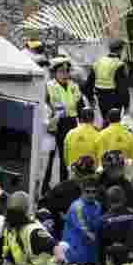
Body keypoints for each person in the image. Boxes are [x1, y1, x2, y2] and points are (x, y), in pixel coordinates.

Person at [43, 56, 86, 187]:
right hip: (54, 123)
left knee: (66, 156)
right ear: (55, 72)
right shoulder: (49, 86)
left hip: (70, 123)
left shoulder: (74, 86)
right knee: (49, 156)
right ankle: (45, 185)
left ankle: (64, 184)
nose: (65, 74)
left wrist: (84, 123)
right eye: (61, 71)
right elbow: (44, 105)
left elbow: (80, 106)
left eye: (67, 71)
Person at [61, 176, 103, 265]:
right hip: (74, 255)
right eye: (87, 192)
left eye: (94, 192)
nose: (91, 195)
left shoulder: (97, 206)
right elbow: (85, 231)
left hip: (90, 255)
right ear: (82, 191)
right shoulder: (77, 207)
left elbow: (98, 226)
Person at [89, 39, 130, 121]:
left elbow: (88, 83)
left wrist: (90, 98)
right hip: (115, 99)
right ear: (120, 50)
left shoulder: (98, 62)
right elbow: (123, 88)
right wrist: (126, 106)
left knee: (105, 120)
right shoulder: (119, 64)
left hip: (100, 97)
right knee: (114, 123)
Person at [64, 107, 101, 173]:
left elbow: (66, 157)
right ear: (93, 119)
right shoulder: (98, 135)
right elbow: (100, 158)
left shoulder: (70, 134)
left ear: (80, 119)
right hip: (91, 176)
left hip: (74, 173)